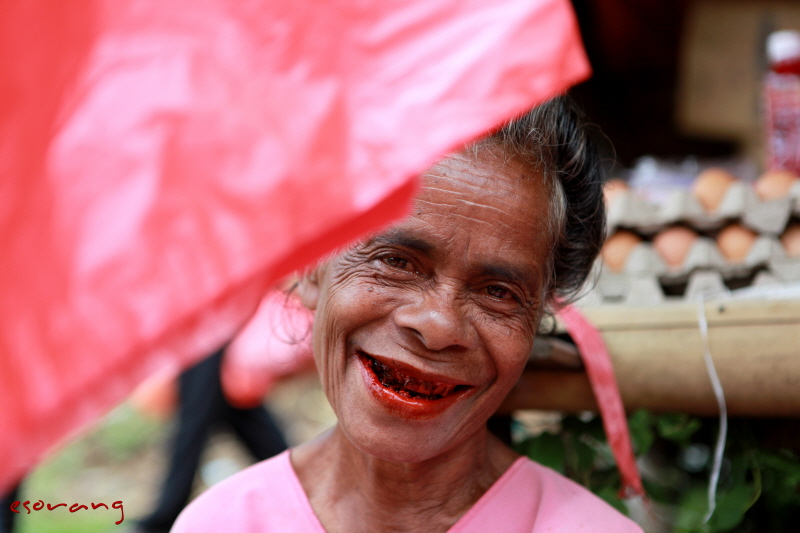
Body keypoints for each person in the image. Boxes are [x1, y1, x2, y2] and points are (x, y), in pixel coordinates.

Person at [171, 96, 644, 532]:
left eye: (498, 292)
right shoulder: (222, 522)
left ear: (539, 317)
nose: (438, 326)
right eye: (396, 261)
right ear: (313, 266)